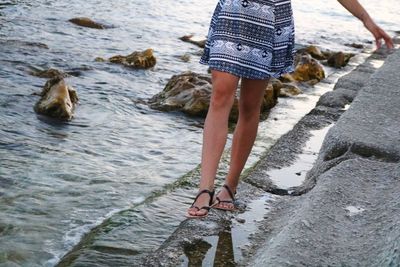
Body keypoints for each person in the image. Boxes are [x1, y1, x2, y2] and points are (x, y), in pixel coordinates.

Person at [187, 0, 394, 218]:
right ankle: (205, 189)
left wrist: (366, 19)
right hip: (233, 13)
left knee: (250, 105)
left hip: (270, 18)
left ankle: (230, 186)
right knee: (220, 96)